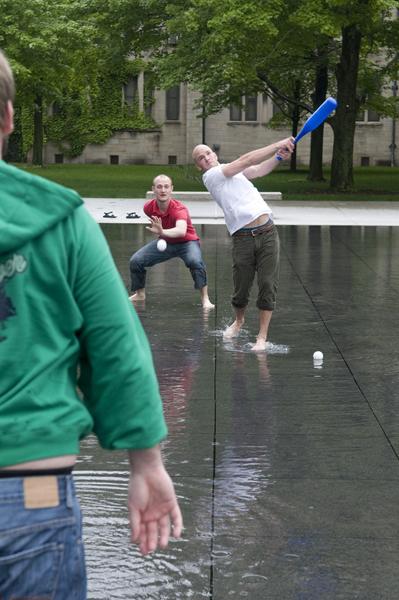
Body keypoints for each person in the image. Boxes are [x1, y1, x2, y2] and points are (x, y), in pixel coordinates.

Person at [0, 49, 182, 599]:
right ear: (8, 118)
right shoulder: (58, 219)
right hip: (29, 496)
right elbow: (115, 343)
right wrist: (146, 459)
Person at [192, 138, 294, 351]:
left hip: (267, 231)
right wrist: (277, 144)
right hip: (242, 237)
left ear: (215, 154)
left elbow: (256, 170)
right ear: (199, 166)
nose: (206, 158)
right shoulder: (211, 177)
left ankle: (262, 337)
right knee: (242, 287)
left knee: (267, 284)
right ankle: (239, 321)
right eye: (201, 158)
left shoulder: (231, 171)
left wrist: (277, 158)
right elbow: (247, 159)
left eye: (208, 153)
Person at [129, 174, 214, 309]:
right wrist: (162, 233)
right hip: (166, 242)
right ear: (153, 189)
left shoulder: (179, 209)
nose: (163, 190)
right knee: (136, 261)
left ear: (171, 189)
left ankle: (205, 298)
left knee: (195, 261)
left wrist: (162, 232)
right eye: (159, 187)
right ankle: (140, 294)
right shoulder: (148, 208)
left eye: (166, 187)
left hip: (187, 243)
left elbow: (181, 231)